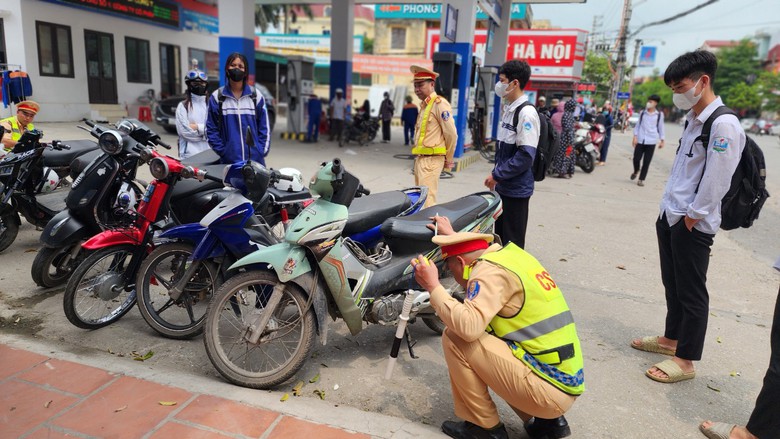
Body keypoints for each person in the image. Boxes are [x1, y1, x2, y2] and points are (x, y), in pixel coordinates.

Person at [411, 216, 583, 439]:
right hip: (562, 382)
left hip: (548, 393)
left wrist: (433, 286)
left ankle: (484, 429)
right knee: (494, 332)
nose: (452, 276)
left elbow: (468, 327)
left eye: (450, 269)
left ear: (461, 263)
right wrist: (454, 238)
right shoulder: (511, 257)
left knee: (455, 337)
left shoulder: (488, 271)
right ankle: (549, 424)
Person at [631, 50, 745, 384]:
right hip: (671, 214)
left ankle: (685, 360)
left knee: (692, 292)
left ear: (702, 81)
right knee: (673, 284)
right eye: (673, 89)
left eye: (680, 87)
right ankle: (671, 339)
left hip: (692, 222)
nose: (676, 95)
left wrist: (692, 218)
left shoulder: (723, 124)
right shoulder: (693, 119)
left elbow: (717, 180)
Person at [484, 60, 540, 249]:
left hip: (516, 190)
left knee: (512, 243)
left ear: (515, 83)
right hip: (504, 187)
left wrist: (497, 175)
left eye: (502, 80)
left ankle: (512, 269)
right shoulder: (510, 109)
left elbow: (526, 156)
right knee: (500, 240)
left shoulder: (526, 113)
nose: (499, 85)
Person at [206, 52, 271, 165]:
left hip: (255, 163)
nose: (236, 69)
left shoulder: (256, 96)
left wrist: (259, 152)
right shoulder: (217, 97)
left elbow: (264, 128)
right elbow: (210, 130)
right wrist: (224, 152)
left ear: (245, 72)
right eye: (233, 65)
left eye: (240, 66)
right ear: (227, 69)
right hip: (229, 164)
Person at [410, 65, 457, 208]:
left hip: (431, 160)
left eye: (420, 85)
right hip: (421, 159)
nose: (417, 89)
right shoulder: (424, 105)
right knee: (419, 200)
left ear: (432, 84)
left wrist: (449, 158)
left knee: (427, 202)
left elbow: (451, 134)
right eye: (415, 85)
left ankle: (430, 223)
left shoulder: (439, 104)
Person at [631, 94, 666, 186]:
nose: (648, 103)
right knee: (636, 159)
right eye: (648, 101)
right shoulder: (643, 113)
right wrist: (635, 137)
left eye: (651, 102)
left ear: (655, 103)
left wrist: (662, 140)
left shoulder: (659, 115)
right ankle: (636, 170)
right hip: (640, 139)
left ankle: (641, 179)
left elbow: (661, 127)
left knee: (646, 162)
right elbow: (638, 125)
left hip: (651, 141)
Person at [175, 69, 210, 159]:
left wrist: (197, 127)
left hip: (210, 155)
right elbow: (185, 132)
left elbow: (218, 130)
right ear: (189, 85)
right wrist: (207, 134)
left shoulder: (212, 106)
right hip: (189, 156)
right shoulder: (183, 106)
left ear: (206, 85)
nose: (199, 86)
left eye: (202, 83)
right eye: (195, 83)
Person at [551, 99, 576, 179]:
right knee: (565, 155)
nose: (575, 108)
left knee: (567, 154)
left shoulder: (568, 114)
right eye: (574, 106)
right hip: (567, 139)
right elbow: (568, 129)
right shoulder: (567, 115)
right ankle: (562, 172)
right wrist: (570, 140)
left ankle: (566, 171)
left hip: (565, 138)